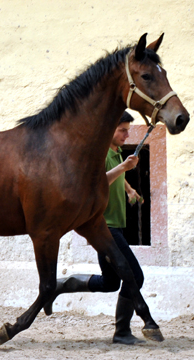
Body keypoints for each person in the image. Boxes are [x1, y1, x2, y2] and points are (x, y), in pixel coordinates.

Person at [44, 111, 146, 345]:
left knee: (111, 283)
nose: (126, 134)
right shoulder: (97, 154)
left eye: (128, 129)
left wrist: (128, 189)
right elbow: (99, 181)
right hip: (103, 227)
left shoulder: (116, 152)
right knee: (135, 277)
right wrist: (124, 168)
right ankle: (122, 332)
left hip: (115, 225)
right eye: (122, 130)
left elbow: (116, 175)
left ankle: (61, 286)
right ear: (108, 129)